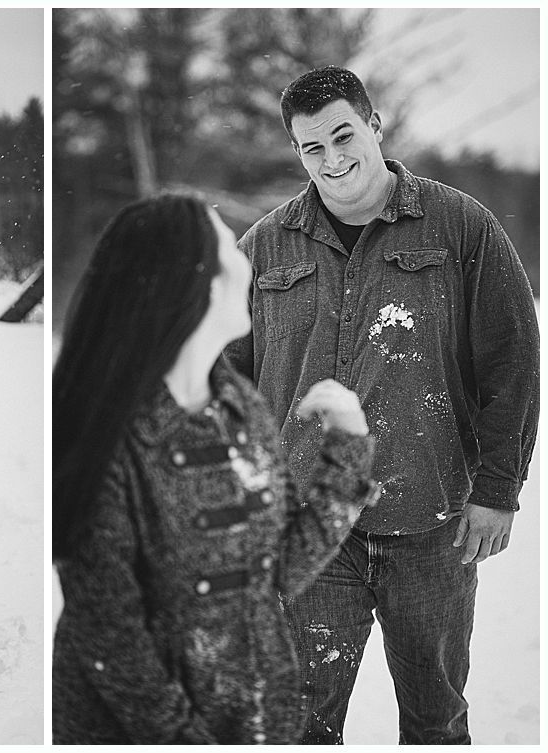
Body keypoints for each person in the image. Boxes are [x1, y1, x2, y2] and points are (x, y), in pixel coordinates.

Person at [223, 66, 539, 744]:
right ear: (297, 153)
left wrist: (498, 489)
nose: (333, 160)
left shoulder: (460, 229)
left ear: (374, 125)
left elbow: (512, 359)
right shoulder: (264, 247)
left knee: (435, 716)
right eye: (313, 147)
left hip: (433, 522)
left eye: (344, 135)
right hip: (308, 530)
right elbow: (222, 383)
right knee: (296, 722)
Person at [52, 194, 380, 744]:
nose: (248, 263)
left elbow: (269, 574)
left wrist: (348, 447)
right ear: (193, 280)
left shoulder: (239, 404)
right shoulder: (112, 435)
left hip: (254, 715)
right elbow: (112, 642)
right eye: (230, 246)